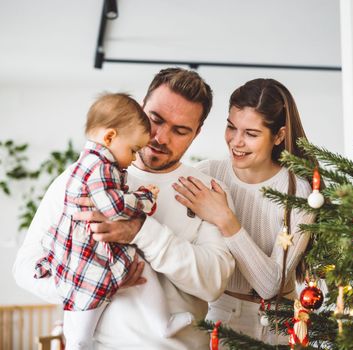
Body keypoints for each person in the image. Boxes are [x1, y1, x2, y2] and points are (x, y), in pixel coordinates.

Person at [13, 68, 235, 350]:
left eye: (180, 130)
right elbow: (24, 268)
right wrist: (93, 282)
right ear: (141, 108)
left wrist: (140, 230)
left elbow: (212, 283)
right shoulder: (79, 178)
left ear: (197, 133)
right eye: (155, 119)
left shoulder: (206, 190)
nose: (160, 137)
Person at [34, 92, 192, 349]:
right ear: (109, 138)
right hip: (89, 251)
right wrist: (144, 199)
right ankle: (82, 342)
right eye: (133, 150)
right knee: (84, 311)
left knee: (139, 271)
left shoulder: (88, 163)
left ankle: (161, 323)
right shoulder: (101, 167)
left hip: (89, 245)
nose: (133, 158)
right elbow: (113, 206)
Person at [173, 78, 316, 345]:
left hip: (277, 327)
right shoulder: (207, 174)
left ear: (279, 136)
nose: (236, 142)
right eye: (231, 127)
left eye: (251, 134)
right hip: (215, 317)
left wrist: (225, 219)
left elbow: (270, 285)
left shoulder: (298, 191)